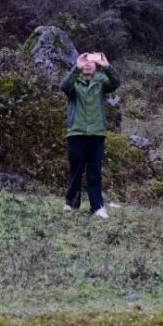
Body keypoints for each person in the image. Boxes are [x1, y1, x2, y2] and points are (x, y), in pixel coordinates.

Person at [60, 52, 121, 218]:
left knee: (94, 171)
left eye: (91, 62)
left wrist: (107, 65)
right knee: (76, 169)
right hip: (76, 132)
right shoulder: (75, 81)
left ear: (96, 65)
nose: (87, 64)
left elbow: (116, 82)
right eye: (84, 61)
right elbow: (64, 86)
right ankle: (71, 203)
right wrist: (75, 68)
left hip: (96, 133)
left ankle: (97, 206)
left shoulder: (101, 81)